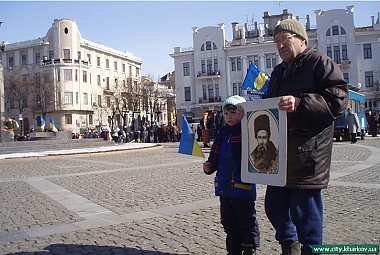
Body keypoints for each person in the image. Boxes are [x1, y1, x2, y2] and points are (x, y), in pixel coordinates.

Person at [236, 19, 348, 255]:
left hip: (308, 155)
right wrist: (245, 113)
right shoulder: (278, 72)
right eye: (277, 41)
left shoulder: (321, 63)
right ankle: (290, 246)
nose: (280, 46)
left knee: (305, 214)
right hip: (280, 157)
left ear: (302, 40)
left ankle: (310, 250)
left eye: (285, 39)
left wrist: (300, 103)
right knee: (274, 207)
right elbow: (269, 107)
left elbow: (337, 103)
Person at [203, 95, 260, 255]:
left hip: (242, 188)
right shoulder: (223, 134)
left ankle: (249, 247)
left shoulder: (246, 131)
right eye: (226, 113)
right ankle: (233, 250)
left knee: (246, 220)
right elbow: (215, 154)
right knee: (228, 221)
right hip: (225, 187)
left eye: (233, 113)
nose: (229, 117)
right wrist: (209, 166)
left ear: (242, 114)